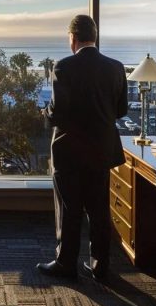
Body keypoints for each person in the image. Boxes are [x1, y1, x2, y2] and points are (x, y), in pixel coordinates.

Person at [37, 14, 128, 282]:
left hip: (70, 151)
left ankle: (66, 263)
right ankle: (100, 265)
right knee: (99, 208)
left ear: (73, 38)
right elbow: (121, 110)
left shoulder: (64, 67)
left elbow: (57, 113)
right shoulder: (116, 67)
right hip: (101, 149)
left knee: (69, 207)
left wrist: (45, 113)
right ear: (94, 37)